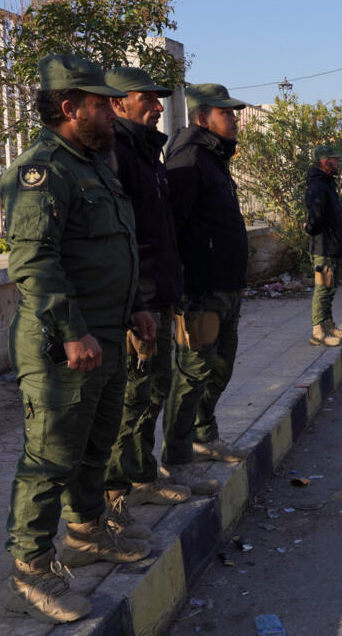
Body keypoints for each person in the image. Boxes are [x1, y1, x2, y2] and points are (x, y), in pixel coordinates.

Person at [0, 54, 154, 624]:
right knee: (51, 457)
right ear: (69, 108)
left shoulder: (95, 166)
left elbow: (117, 247)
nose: (113, 112)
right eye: (100, 103)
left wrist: (137, 308)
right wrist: (73, 332)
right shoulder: (43, 170)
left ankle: (87, 531)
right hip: (63, 344)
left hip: (108, 336)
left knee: (96, 445)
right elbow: (34, 262)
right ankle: (32, 567)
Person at [100, 67, 194, 517]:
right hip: (138, 302)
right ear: (118, 103)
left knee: (153, 392)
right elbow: (120, 238)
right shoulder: (116, 154)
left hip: (157, 295)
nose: (159, 106)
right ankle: (116, 491)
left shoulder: (142, 153)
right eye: (148, 99)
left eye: (159, 99)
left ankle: (141, 475)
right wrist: (136, 304)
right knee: (133, 397)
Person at [163, 83, 251, 493]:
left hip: (225, 285)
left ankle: (204, 435)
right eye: (227, 113)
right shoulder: (190, 158)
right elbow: (173, 227)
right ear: (203, 118)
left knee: (221, 366)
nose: (235, 119)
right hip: (200, 288)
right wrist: (181, 288)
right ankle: (177, 458)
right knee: (192, 372)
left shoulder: (215, 159)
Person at [304, 145, 342, 347]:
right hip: (323, 247)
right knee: (322, 289)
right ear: (324, 161)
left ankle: (329, 325)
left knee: (330, 288)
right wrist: (310, 228)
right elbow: (315, 218)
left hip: (332, 245)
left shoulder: (327, 184)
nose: (338, 163)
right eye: (334, 159)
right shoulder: (318, 186)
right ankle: (318, 332)